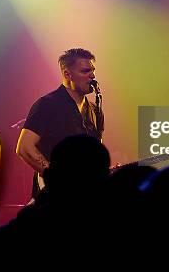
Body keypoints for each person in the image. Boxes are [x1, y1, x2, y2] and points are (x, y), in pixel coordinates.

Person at [16, 48, 104, 199]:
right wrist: (58, 178)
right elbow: (24, 148)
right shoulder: (47, 104)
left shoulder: (95, 110)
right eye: (85, 71)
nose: (93, 76)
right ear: (67, 74)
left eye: (93, 71)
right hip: (53, 195)